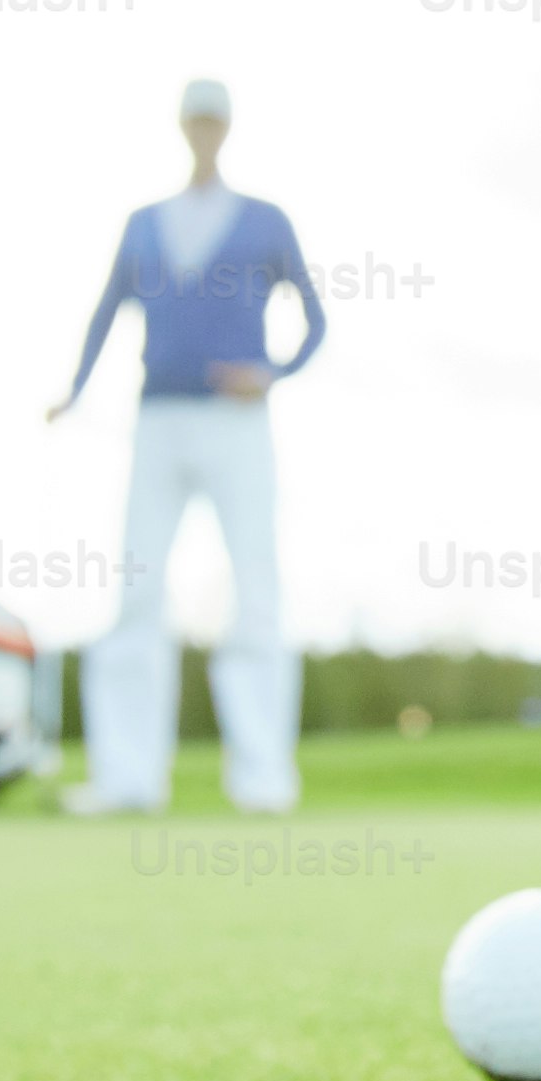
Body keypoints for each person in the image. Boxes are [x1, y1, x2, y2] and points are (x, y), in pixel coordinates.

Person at [49, 78, 325, 815]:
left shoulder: (266, 221)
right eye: (194, 120)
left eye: (214, 120)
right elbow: (106, 312)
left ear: (226, 129)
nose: (204, 130)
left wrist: (274, 374)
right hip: (158, 421)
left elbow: (316, 320)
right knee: (136, 591)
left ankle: (264, 776)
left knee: (256, 592)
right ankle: (128, 778)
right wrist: (74, 389)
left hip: (237, 426)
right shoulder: (143, 223)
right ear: (182, 128)